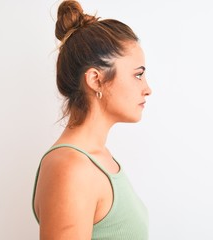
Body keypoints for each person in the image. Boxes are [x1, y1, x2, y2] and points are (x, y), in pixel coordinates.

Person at [32, 0, 152, 239]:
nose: (147, 89)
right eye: (138, 75)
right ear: (96, 80)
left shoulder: (99, 158)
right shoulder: (71, 168)